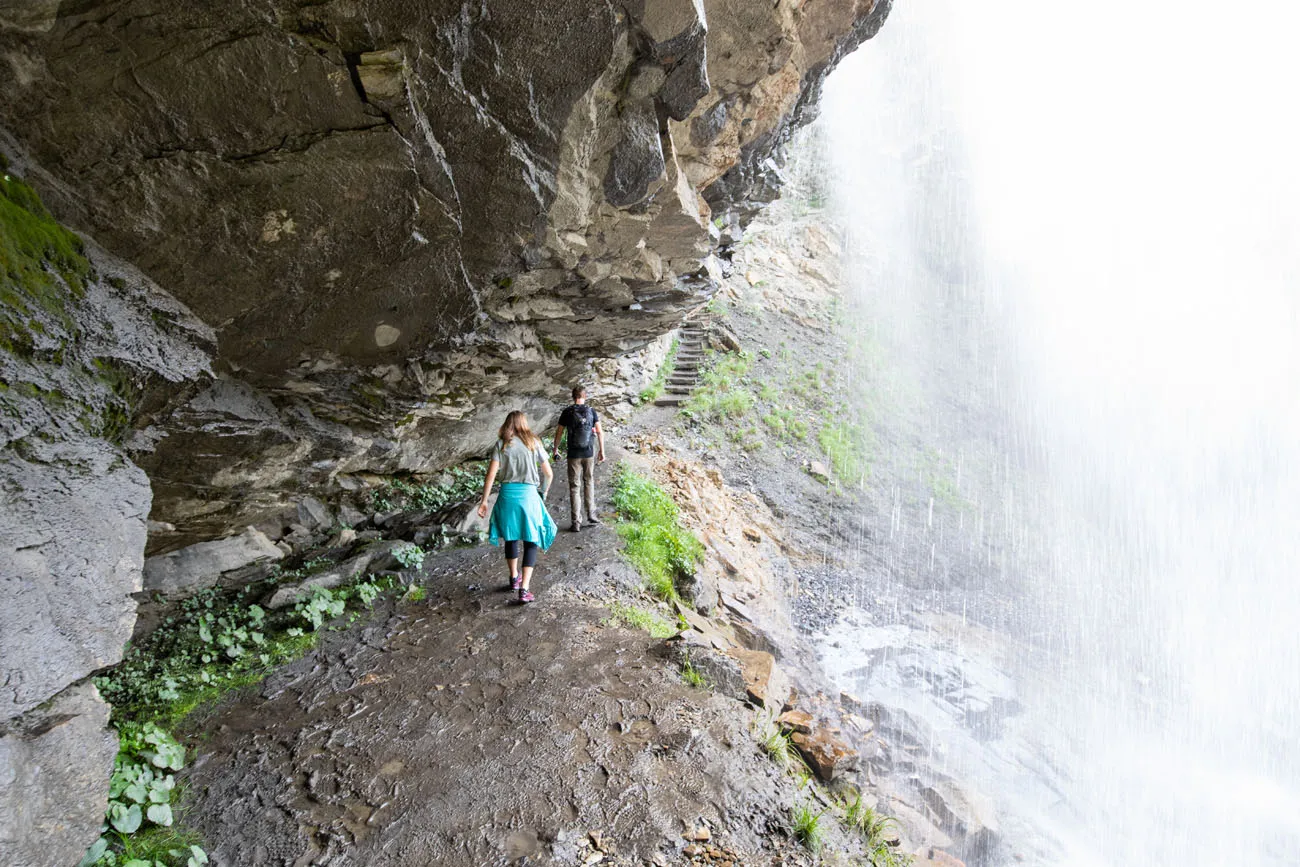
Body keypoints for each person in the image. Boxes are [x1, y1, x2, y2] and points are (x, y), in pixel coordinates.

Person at [477, 410, 557, 603]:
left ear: (507, 425)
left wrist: (484, 500)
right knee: (531, 540)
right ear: (524, 424)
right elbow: (549, 474)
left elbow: (491, 475)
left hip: (507, 495)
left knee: (511, 537)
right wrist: (543, 493)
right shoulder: (534, 442)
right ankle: (524, 588)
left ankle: (513, 578)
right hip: (529, 496)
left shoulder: (501, 444)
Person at [552, 385, 605, 531]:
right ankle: (591, 514)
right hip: (588, 453)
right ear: (584, 396)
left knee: (574, 487)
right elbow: (599, 432)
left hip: (573, 454)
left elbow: (559, 433)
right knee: (589, 482)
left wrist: (555, 449)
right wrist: (602, 450)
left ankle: (576, 522)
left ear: (573, 397)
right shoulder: (591, 411)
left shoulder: (567, 412)